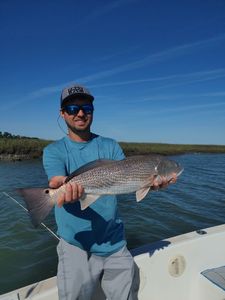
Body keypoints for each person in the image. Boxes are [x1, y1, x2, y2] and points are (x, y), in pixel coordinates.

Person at [43, 83, 175, 300]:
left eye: (86, 107)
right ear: (62, 113)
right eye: (73, 109)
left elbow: (126, 175)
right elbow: (56, 181)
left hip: (114, 243)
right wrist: (61, 189)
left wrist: (152, 186)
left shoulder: (111, 145)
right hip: (75, 244)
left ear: (93, 110)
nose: (81, 113)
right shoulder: (53, 150)